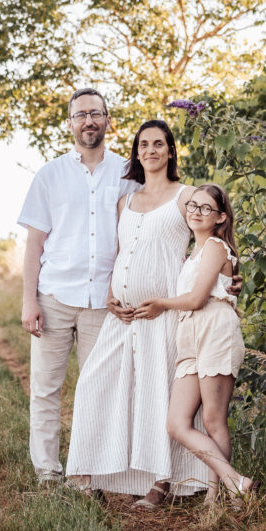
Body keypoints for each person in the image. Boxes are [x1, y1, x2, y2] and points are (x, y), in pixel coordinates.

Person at [65, 119, 212, 507]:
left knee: (154, 394)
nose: (151, 150)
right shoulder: (124, 202)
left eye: (159, 144)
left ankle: (160, 483)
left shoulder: (187, 196)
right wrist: (112, 294)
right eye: (144, 144)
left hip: (161, 315)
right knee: (94, 384)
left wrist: (229, 276)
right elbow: (121, 253)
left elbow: (213, 240)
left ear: (170, 151)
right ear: (136, 153)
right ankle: (91, 470)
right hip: (123, 315)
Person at [17, 87, 141, 485]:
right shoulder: (50, 175)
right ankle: (47, 471)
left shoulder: (127, 174)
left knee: (97, 390)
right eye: (80, 115)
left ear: (108, 120)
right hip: (53, 297)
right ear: (70, 124)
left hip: (103, 302)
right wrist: (29, 301)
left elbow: (136, 237)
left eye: (96, 113)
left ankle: (86, 472)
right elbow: (34, 244)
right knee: (45, 390)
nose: (89, 121)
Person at [134, 183, 257, 506]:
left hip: (215, 331)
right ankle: (235, 482)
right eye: (192, 205)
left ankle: (217, 496)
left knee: (213, 419)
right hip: (189, 336)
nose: (196, 212)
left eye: (205, 208)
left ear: (220, 217)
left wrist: (160, 303)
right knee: (177, 423)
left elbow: (198, 298)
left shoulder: (216, 246)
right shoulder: (193, 254)